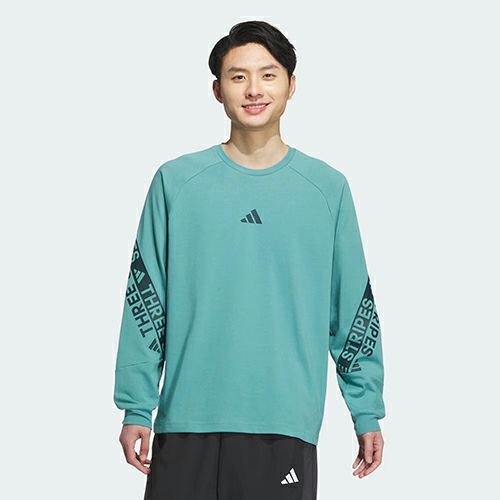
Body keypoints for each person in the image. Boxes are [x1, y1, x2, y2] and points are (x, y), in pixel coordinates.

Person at [113, 19, 386, 500]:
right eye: (238, 76)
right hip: (187, 419)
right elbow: (146, 300)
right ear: (217, 90)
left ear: (291, 84)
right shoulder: (176, 182)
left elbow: (351, 308)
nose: (254, 89)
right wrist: (137, 406)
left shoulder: (326, 189)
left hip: (284, 422)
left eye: (268, 74)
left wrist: (366, 410)